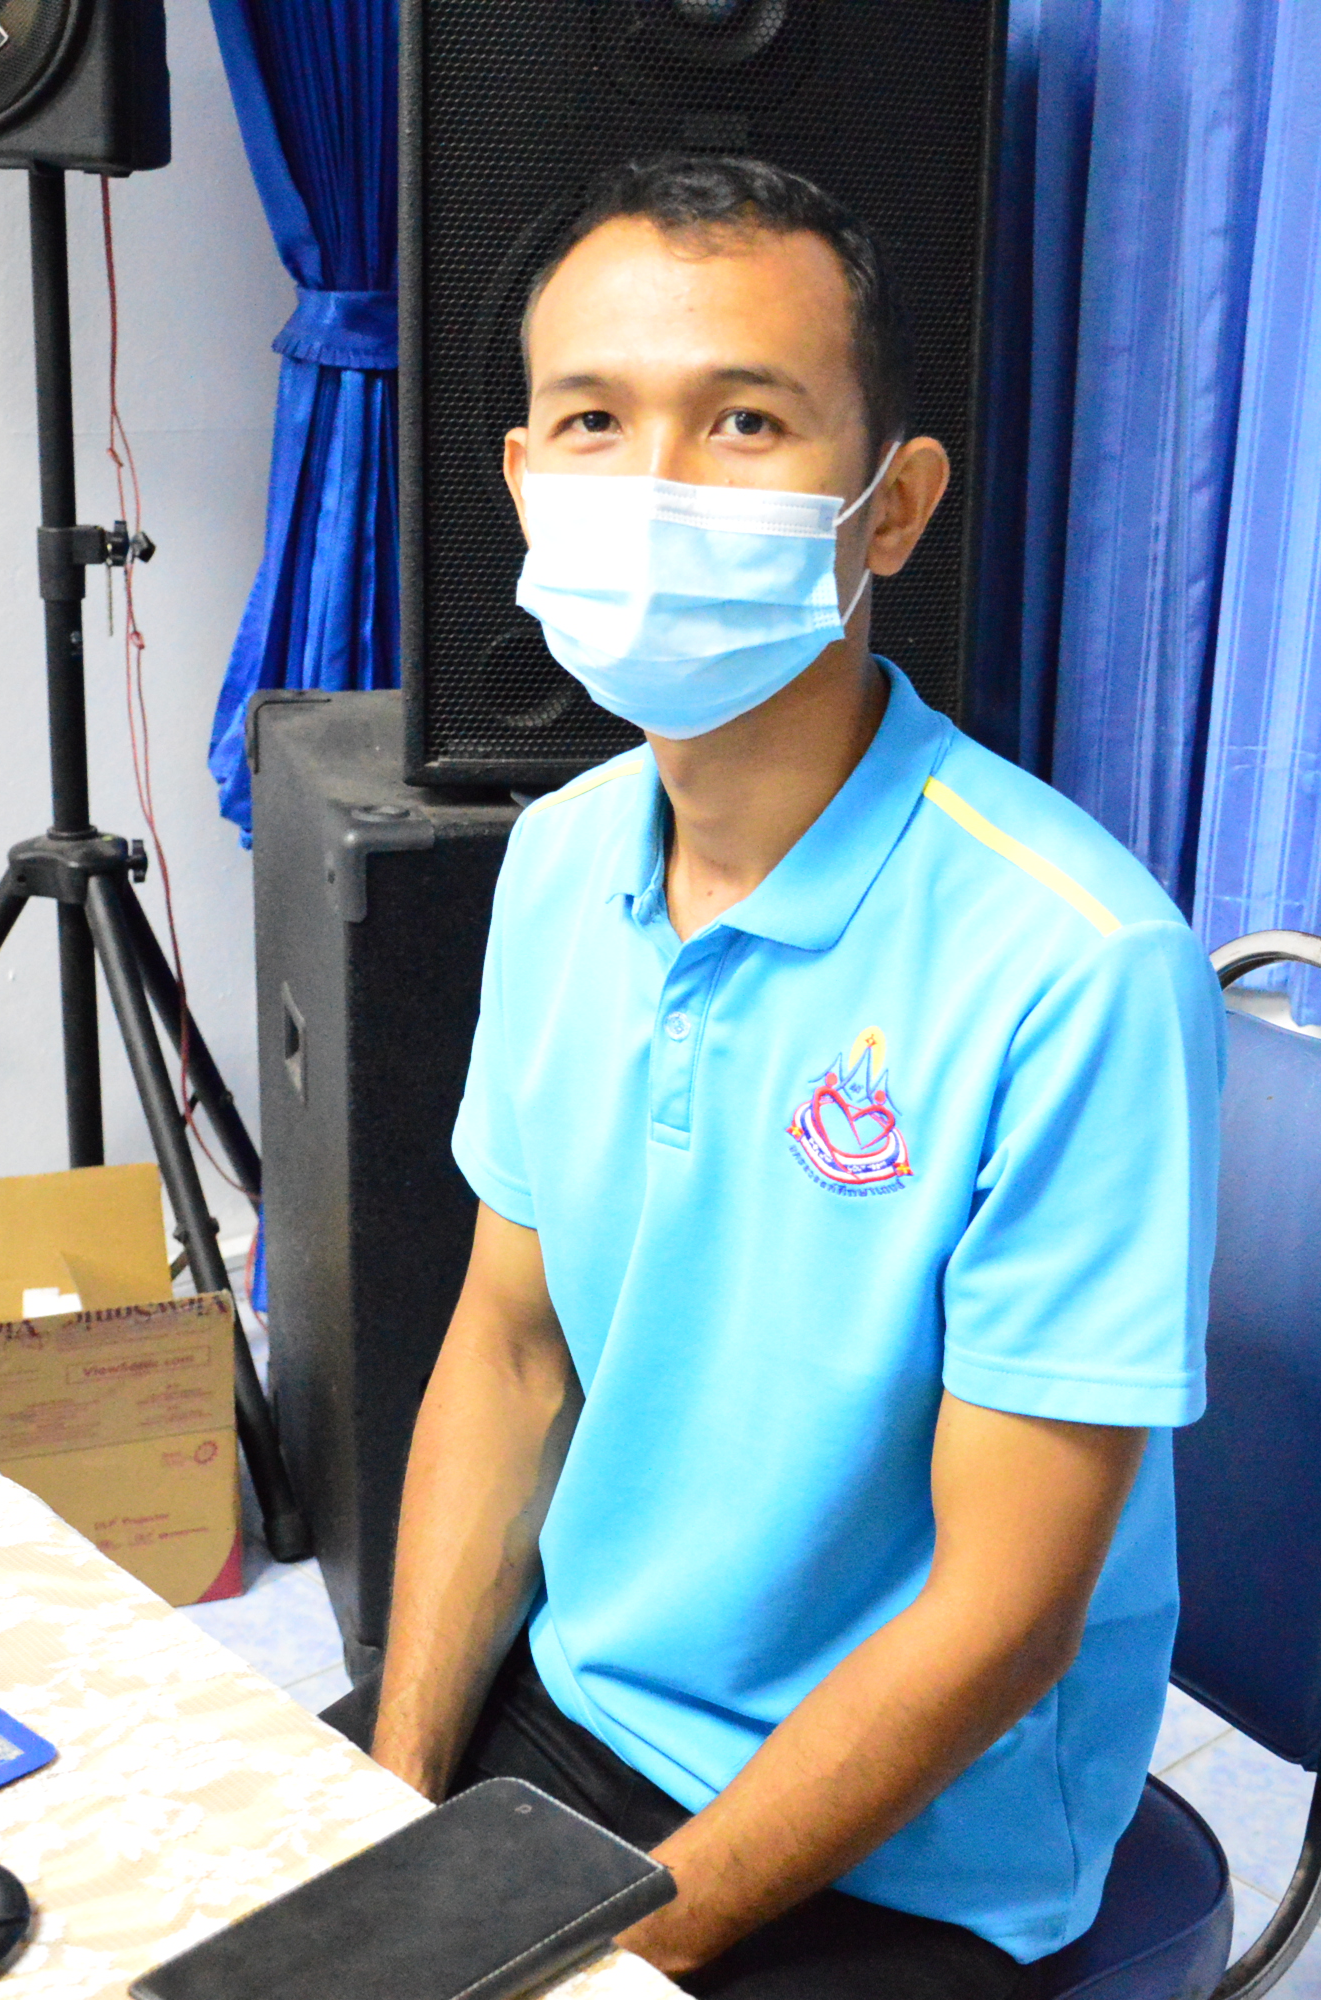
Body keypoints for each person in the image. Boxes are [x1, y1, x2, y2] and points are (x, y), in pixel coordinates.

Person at [361, 153, 1226, 1999]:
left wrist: (560, 1961)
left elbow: (1000, 1620)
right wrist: (383, 1804)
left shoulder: (1075, 965)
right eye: (594, 421)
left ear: (888, 507)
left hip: (915, 1845)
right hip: (589, 1703)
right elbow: (511, 1353)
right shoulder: (557, 859)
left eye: (744, 420)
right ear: (523, 481)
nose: (655, 485)